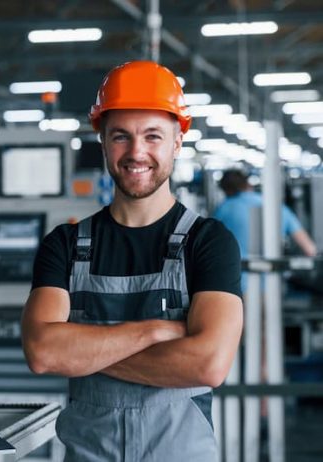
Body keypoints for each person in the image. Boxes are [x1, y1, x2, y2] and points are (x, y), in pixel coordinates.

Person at [21, 60, 243, 461]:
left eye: (153, 136)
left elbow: (209, 364)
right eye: (121, 136)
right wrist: (155, 332)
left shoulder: (209, 243)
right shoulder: (65, 245)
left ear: (177, 141)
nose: (136, 152)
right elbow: (43, 353)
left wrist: (85, 352)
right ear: (103, 141)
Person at [214, 169, 317, 269]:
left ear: (225, 190)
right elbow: (310, 249)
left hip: (234, 280)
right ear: (248, 184)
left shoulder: (222, 210)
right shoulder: (276, 207)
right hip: (273, 282)